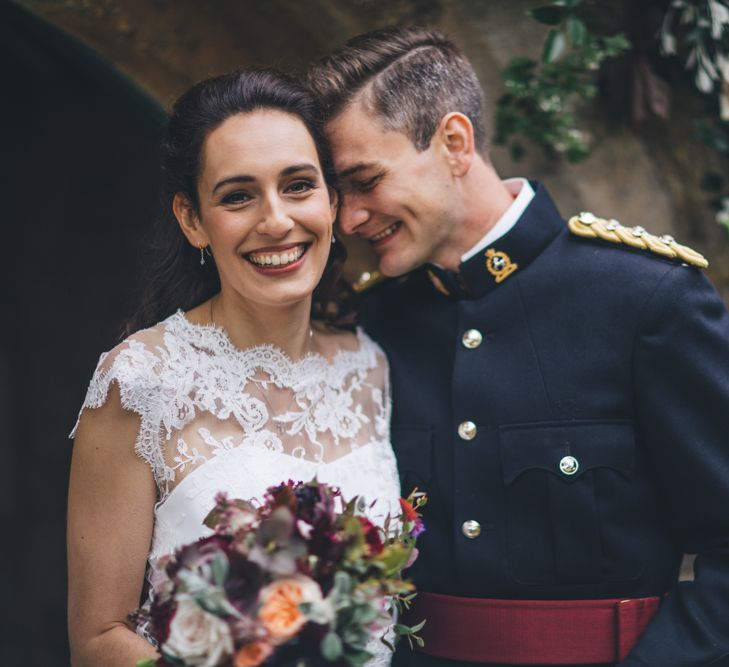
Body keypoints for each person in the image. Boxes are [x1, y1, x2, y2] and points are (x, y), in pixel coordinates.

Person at [307, 26, 729, 667]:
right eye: (339, 195)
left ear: (454, 142)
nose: (349, 220)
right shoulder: (373, 323)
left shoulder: (648, 298)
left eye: (365, 180)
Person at [66, 68, 401, 667]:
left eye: (298, 185)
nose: (275, 221)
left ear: (331, 199)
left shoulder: (370, 366)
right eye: (238, 196)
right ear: (193, 219)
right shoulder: (141, 382)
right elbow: (96, 639)